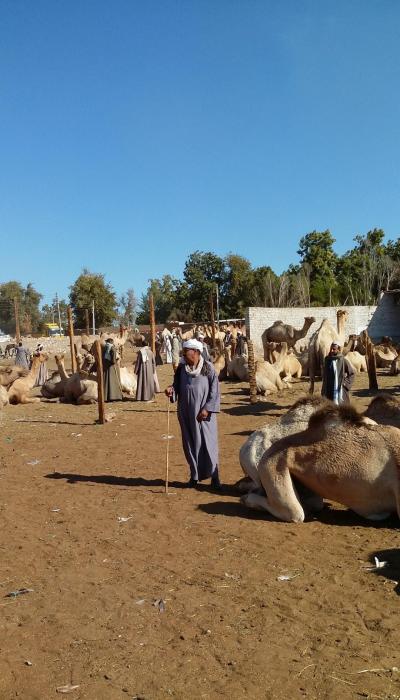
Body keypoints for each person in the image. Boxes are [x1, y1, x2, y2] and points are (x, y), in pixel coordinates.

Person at [165, 338, 221, 489]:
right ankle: (194, 476)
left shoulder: (208, 368)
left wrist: (207, 408)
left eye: (186, 352)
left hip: (204, 415)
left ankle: (215, 478)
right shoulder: (182, 369)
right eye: (183, 352)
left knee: (209, 444)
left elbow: (214, 391)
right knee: (190, 444)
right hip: (186, 413)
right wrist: (171, 390)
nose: (184, 355)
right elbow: (176, 386)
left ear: (196, 352)